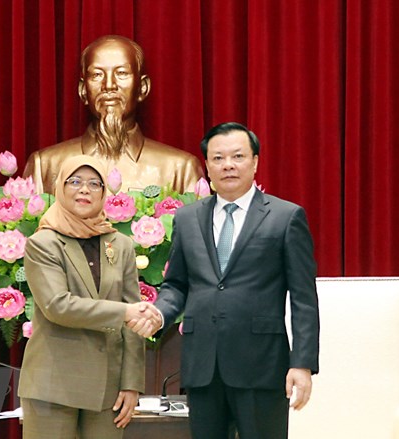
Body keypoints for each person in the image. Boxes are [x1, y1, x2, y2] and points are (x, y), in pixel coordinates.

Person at [132, 122, 320, 439]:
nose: (228, 165)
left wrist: (301, 364)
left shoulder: (285, 217)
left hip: (261, 365)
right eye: (218, 158)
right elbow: (176, 285)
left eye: (237, 156)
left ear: (255, 162)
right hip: (203, 366)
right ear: (207, 166)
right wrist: (159, 313)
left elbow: (304, 298)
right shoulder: (187, 218)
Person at [19, 155, 160, 439]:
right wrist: (124, 313)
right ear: (60, 187)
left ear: (104, 192)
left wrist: (131, 383)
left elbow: (133, 318)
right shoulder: (43, 243)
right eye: (75, 181)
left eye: (95, 183)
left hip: (109, 389)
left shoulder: (120, 244)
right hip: (53, 385)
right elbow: (57, 306)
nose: (85, 189)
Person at [23, 35, 204, 194]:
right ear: (83, 90)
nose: (109, 85)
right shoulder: (45, 166)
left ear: (142, 88)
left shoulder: (180, 169)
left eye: (122, 73)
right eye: (97, 75)